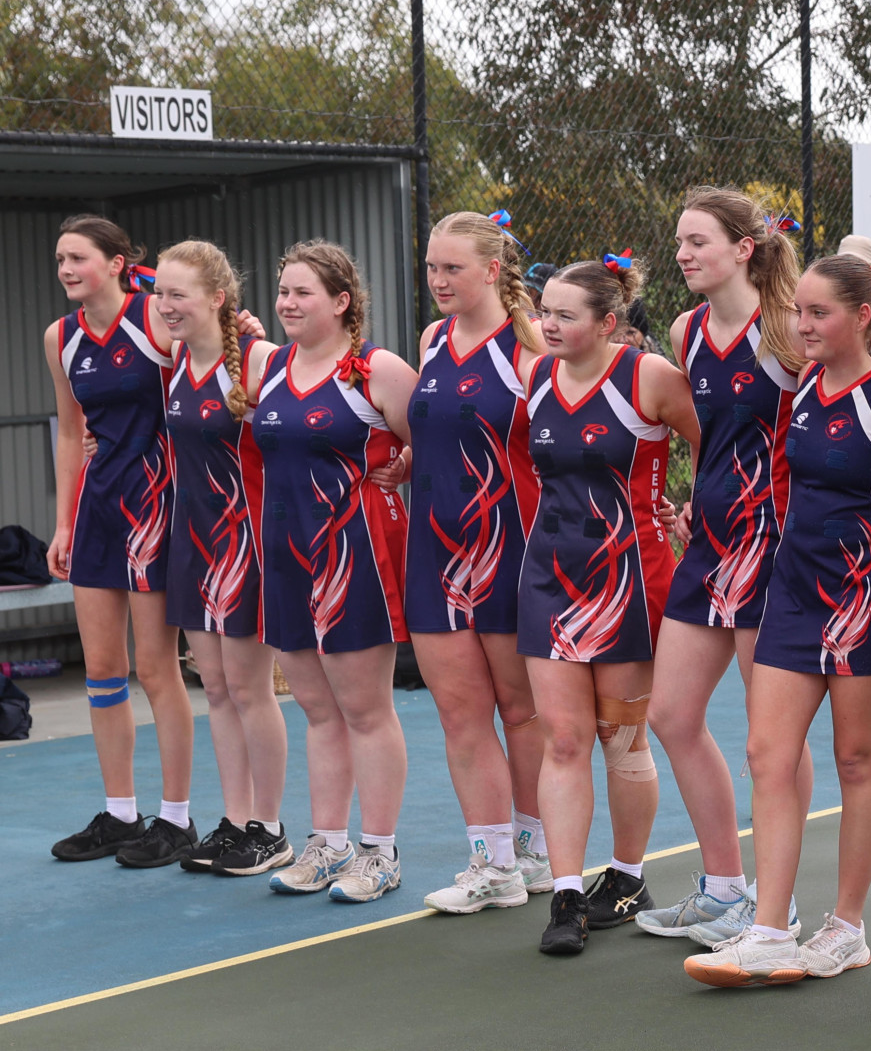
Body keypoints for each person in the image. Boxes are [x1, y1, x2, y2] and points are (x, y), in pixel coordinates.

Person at [684, 257, 871, 987]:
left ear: (863, 316)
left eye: (819, 313)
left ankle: (846, 926)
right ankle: (767, 929)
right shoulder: (805, 389)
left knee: (856, 760)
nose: (801, 325)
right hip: (790, 590)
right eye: (799, 312)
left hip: (867, 597)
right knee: (767, 752)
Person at [638, 189, 814, 946]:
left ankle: (783, 902)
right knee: (671, 714)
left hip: (774, 546)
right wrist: (689, 500)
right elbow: (705, 436)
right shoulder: (686, 330)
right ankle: (723, 888)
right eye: (680, 241)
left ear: (744, 248)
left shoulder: (787, 333)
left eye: (699, 240)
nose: (683, 253)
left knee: (770, 740)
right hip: (708, 542)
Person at [522, 255, 701, 956]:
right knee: (561, 738)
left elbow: (715, 446)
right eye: (546, 312)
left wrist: (695, 509)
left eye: (566, 314)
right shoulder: (537, 376)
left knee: (621, 738)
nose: (551, 324)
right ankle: (567, 894)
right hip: (549, 575)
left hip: (630, 575)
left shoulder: (648, 377)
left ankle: (626, 876)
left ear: (607, 322)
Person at [251, 241, 416, 901]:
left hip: (355, 556)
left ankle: (379, 850)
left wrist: (403, 466)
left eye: (302, 292)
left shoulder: (376, 370)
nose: (287, 303)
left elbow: (432, 453)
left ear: (341, 301)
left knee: (365, 708)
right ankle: (329, 842)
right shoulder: (267, 364)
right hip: (285, 553)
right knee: (317, 707)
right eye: (283, 291)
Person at [405, 212, 554, 916]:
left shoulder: (528, 352)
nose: (438, 281)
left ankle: (535, 849)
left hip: (511, 549)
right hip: (432, 550)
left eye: (452, 268)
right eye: (432, 267)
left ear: (492, 270)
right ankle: (491, 861)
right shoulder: (432, 341)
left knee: (523, 711)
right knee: (460, 713)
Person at [130, 241, 293, 874]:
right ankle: (233, 820)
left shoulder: (258, 362)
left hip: (248, 546)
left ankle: (271, 828)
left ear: (218, 299)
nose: (165, 306)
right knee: (218, 690)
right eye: (159, 294)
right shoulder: (172, 363)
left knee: (252, 690)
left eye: (179, 295)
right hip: (192, 546)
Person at [44, 216, 197, 865]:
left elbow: (198, 406)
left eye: (77, 257)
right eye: (59, 259)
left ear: (114, 261)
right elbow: (69, 430)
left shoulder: (156, 321)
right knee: (103, 672)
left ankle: (177, 818)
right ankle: (120, 812)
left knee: (157, 670)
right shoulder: (60, 337)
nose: (66, 269)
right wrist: (64, 521)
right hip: (98, 513)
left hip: (156, 506)